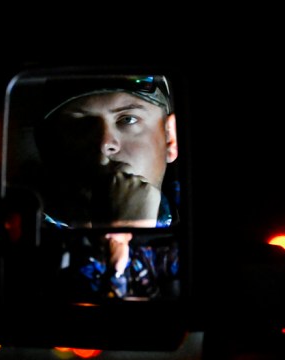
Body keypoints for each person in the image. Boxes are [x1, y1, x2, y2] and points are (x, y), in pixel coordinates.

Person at [34, 74, 181, 301]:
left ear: (170, 138)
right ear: (49, 147)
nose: (105, 143)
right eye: (81, 124)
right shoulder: (27, 244)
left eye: (128, 119)